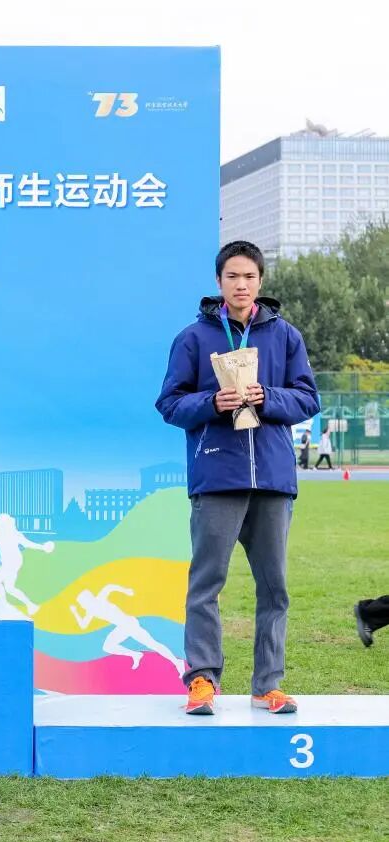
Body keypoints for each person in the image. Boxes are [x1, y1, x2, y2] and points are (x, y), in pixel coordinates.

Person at [156, 240, 319, 715]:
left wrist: (268, 397)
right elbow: (169, 403)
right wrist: (213, 403)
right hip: (217, 476)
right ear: (219, 282)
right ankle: (202, 680)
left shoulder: (285, 336)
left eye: (249, 276)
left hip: (273, 479)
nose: (241, 284)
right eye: (232, 276)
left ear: (260, 281)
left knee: (274, 588)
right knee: (206, 583)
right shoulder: (193, 338)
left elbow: (308, 398)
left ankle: (267, 685)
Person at [69, 585, 186, 677]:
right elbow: (83, 625)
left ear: (89, 599)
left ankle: (177, 662)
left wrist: (125, 591)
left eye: (83, 604)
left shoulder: (99, 599)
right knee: (108, 646)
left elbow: (109, 587)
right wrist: (75, 612)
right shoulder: (92, 611)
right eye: (82, 605)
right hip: (122, 627)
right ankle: (135, 654)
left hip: (129, 624)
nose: (83, 607)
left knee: (153, 644)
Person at [0, 513, 53, 616]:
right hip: (13, 562)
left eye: (0, 521)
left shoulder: (12, 534)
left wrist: (42, 547)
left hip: (12, 562)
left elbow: (28, 544)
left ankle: (5, 605)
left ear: (4, 523)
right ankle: (31, 605)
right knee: (9, 588)